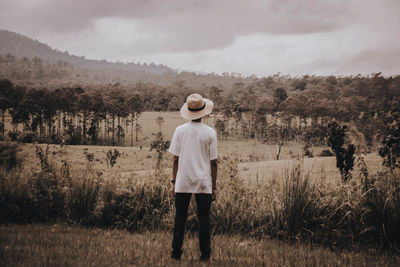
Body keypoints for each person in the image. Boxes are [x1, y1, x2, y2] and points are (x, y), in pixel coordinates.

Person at [168, 93, 218, 261]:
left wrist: (174, 182)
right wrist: (214, 187)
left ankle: (175, 254)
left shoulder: (180, 131)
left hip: (183, 181)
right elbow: (214, 163)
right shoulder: (210, 133)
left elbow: (175, 159)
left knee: (180, 217)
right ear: (204, 112)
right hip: (203, 182)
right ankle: (205, 255)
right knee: (204, 219)